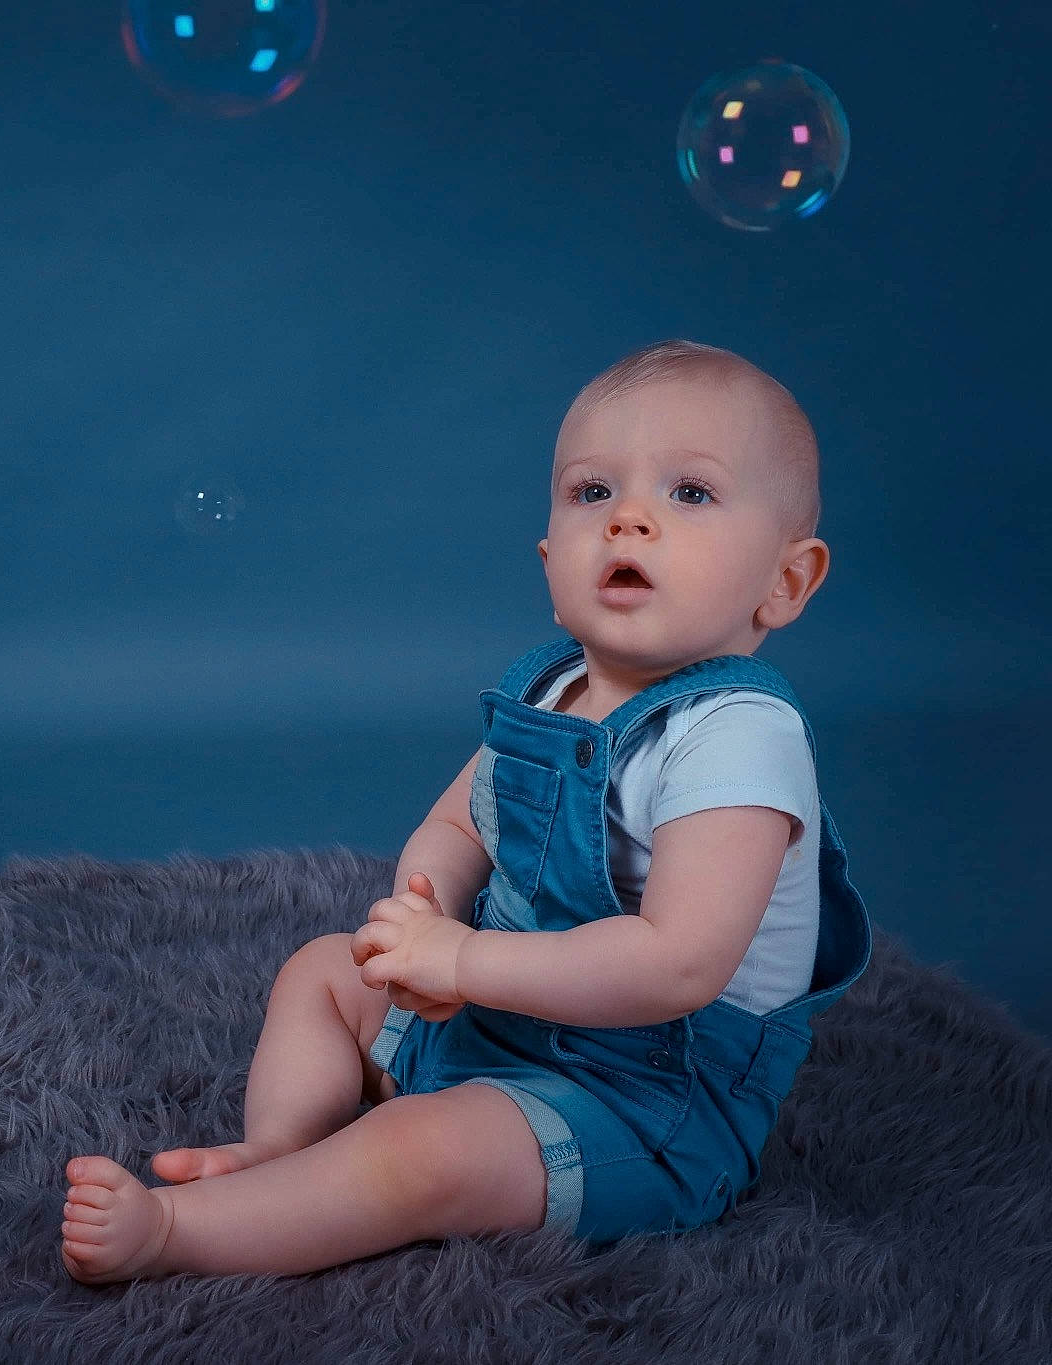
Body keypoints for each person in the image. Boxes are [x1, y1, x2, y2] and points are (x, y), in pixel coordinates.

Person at [59, 339, 873, 1282]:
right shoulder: (551, 691)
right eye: (592, 492)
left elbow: (677, 963)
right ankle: (280, 1152)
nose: (629, 519)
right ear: (549, 561)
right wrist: (426, 916)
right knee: (321, 973)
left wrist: (464, 961)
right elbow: (457, 825)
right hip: (495, 1020)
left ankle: (177, 1232)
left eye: (690, 492)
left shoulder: (737, 736)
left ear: (786, 581)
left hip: (643, 1101)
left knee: (423, 1152)